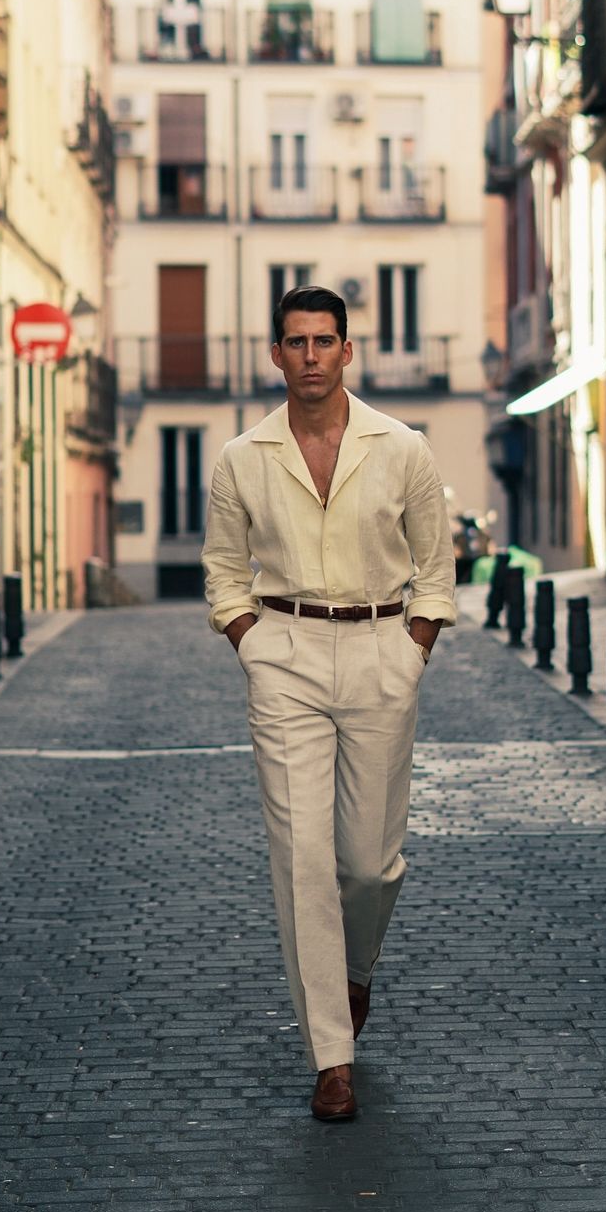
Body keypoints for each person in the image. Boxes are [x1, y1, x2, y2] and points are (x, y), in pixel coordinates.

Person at [201, 285, 456, 1121]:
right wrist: (251, 641)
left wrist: (415, 643)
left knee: (368, 863)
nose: (310, 355)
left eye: (324, 341)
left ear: (349, 351)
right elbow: (224, 570)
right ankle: (331, 1057)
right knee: (303, 858)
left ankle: (357, 971)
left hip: (384, 647)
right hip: (286, 657)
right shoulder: (242, 458)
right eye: (295, 342)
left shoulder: (402, 447)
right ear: (275, 355)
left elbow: (437, 564)